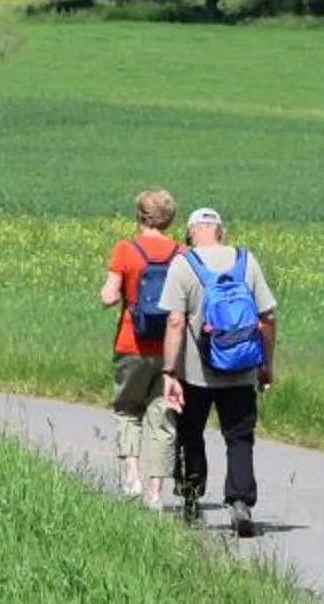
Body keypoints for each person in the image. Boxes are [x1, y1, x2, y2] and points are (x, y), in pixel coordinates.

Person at [160, 206, 277, 538]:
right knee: (239, 437)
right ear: (220, 231)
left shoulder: (183, 264)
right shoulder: (246, 261)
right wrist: (266, 364)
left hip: (196, 374)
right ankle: (240, 502)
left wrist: (169, 372)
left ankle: (192, 501)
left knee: (191, 434)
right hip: (241, 368)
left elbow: (175, 321)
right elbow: (267, 318)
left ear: (190, 232)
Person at [99, 188, 182, 505]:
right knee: (162, 418)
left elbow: (110, 295)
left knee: (127, 410)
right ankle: (156, 492)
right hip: (169, 349)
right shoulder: (181, 253)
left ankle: (132, 476)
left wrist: (110, 295)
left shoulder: (125, 249)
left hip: (130, 343)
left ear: (140, 216)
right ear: (169, 218)